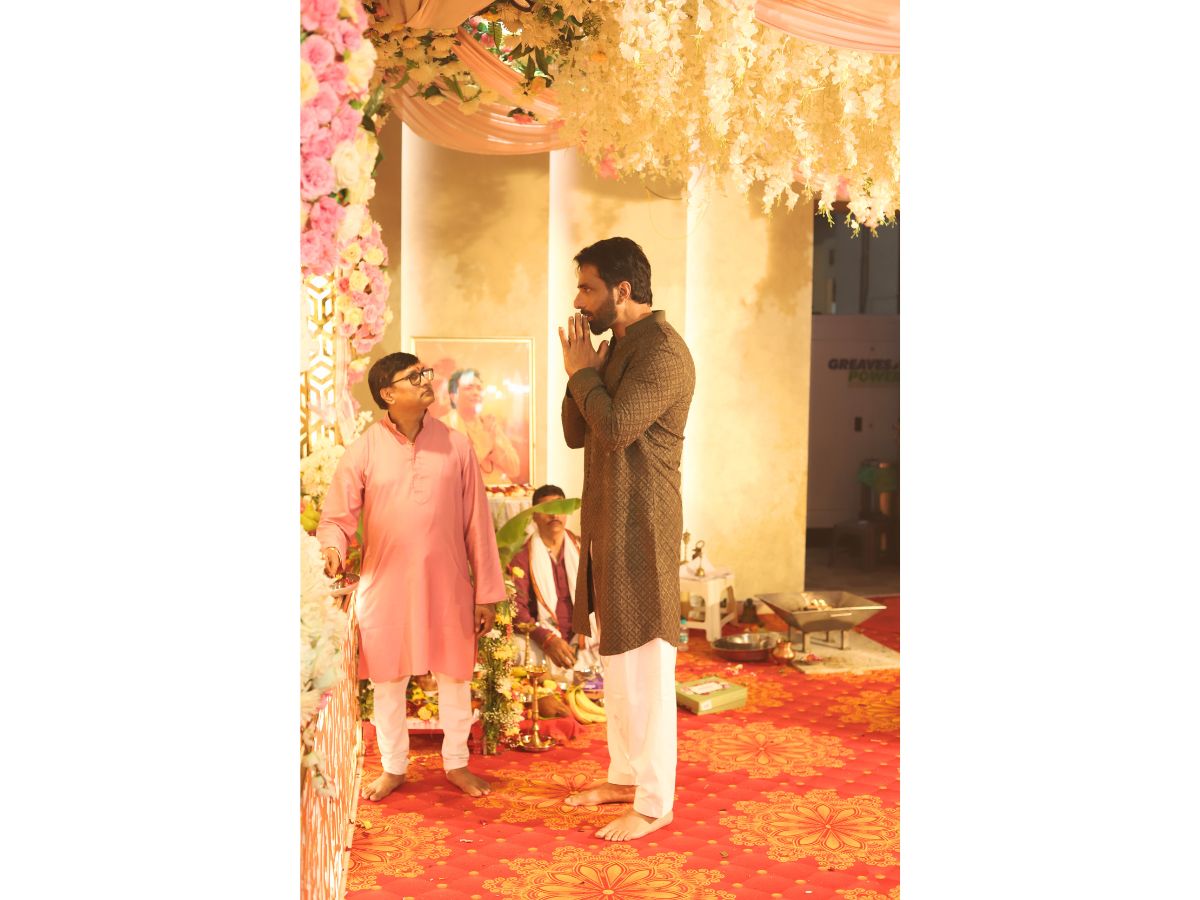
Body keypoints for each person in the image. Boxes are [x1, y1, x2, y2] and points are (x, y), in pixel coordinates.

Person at [317, 352, 505, 801]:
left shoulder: (456, 445)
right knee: (388, 679)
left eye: (425, 373)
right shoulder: (365, 448)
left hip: (448, 584)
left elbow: (478, 524)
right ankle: (393, 767)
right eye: (413, 376)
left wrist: (486, 593)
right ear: (387, 393)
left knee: (454, 677)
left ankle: (456, 763)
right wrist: (332, 549)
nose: (425, 381)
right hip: (386, 586)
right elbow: (337, 517)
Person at [556, 236, 696, 841]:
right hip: (608, 524)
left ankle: (655, 801)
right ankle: (626, 776)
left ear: (622, 289)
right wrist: (579, 373)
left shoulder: (663, 352)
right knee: (617, 664)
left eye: (587, 288)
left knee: (647, 669)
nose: (578, 301)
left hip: (644, 528)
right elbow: (576, 432)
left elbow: (612, 428)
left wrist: (584, 376)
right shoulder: (614, 349)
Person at [510, 483, 600, 678]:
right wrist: (547, 639)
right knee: (516, 647)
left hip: (584, 639)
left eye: (560, 508)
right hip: (543, 643)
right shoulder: (522, 558)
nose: (555, 515)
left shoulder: (584, 549)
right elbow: (517, 611)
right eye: (547, 509)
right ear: (534, 515)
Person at [439, 367, 522, 484]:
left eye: (479, 388)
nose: (476, 392)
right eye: (469, 388)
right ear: (453, 396)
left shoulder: (489, 424)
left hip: (501, 491)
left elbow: (514, 469)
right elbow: (454, 472)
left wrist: (493, 448)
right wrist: (485, 445)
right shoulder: (443, 426)